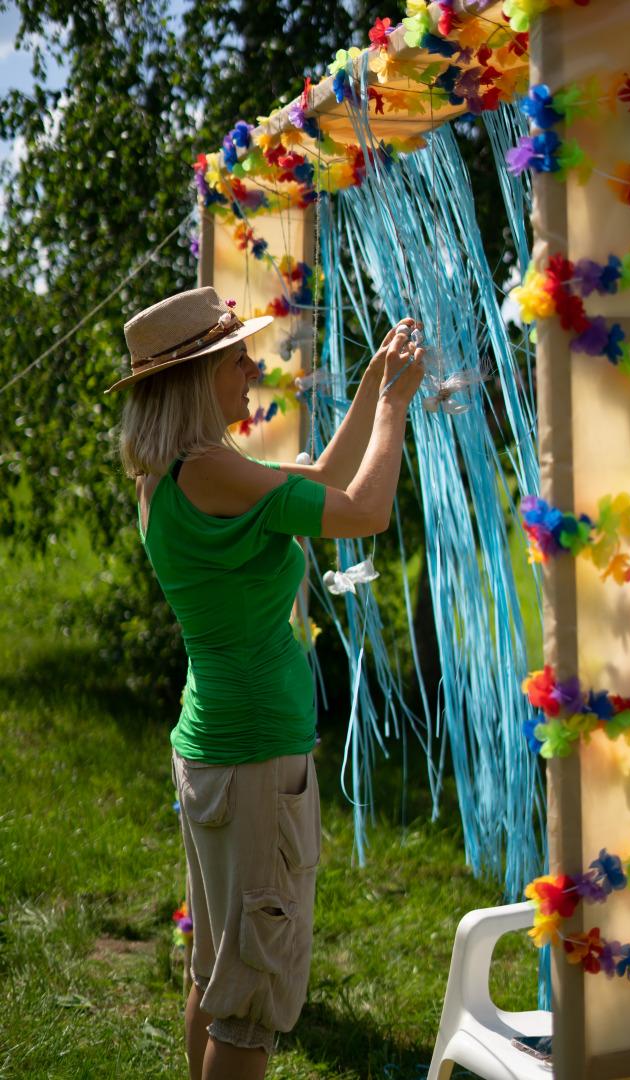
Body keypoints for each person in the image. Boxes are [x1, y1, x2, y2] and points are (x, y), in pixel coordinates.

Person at [106, 285, 424, 1080]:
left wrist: (365, 394)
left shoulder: (177, 472)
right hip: (251, 759)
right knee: (248, 1010)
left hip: (216, 748)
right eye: (236, 357)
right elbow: (363, 510)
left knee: (217, 977)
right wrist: (396, 410)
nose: (251, 368)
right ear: (196, 376)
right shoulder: (211, 469)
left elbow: (319, 475)